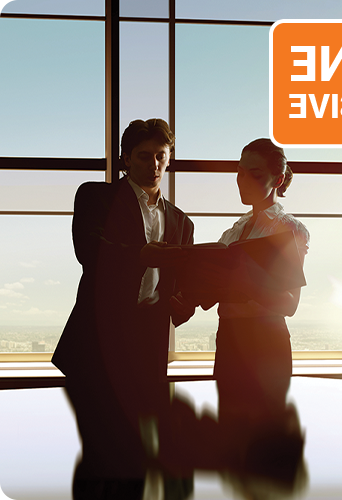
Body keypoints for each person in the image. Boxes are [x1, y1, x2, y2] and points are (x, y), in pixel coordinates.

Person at [51, 118, 195, 498]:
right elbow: (90, 251)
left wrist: (191, 297)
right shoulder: (96, 197)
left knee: (134, 454)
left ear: (169, 159)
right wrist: (142, 255)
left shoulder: (181, 221)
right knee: (99, 455)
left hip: (145, 354)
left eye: (160, 156)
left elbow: (177, 292)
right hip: (96, 348)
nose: (153, 164)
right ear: (126, 159)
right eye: (144, 156)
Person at [212, 138, 310, 423]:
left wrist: (245, 284)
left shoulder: (289, 229)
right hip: (228, 338)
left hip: (265, 343)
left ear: (278, 179)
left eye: (254, 175)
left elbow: (290, 304)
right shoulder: (235, 231)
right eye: (240, 172)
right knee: (230, 434)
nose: (243, 181)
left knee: (268, 439)